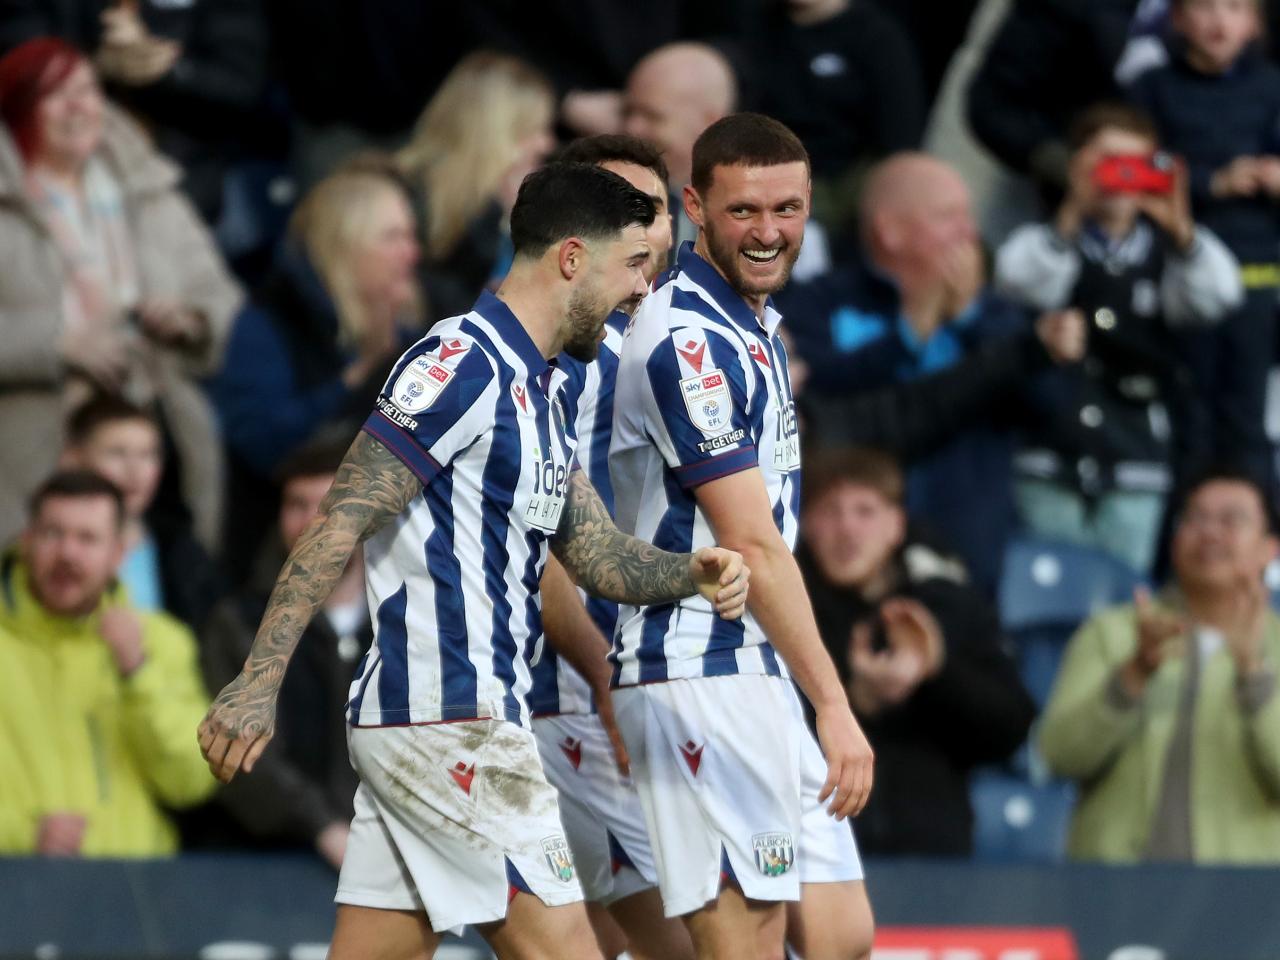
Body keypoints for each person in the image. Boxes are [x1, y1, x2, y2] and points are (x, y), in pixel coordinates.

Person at [196, 162, 750, 960]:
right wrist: (257, 681)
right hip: (451, 723)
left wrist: (691, 572)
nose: (641, 291)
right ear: (570, 259)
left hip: (437, 722)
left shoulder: (545, 387)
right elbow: (340, 516)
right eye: (633, 266)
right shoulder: (461, 362)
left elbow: (596, 556)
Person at [610, 113, 873, 960]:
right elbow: (753, 545)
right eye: (745, 211)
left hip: (751, 663)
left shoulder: (752, 322)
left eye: (788, 210)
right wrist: (833, 704)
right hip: (697, 665)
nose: (769, 233)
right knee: (739, 949)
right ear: (694, 208)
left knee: (840, 940)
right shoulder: (688, 341)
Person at [529, 135, 689, 960]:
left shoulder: (673, 337)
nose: (637, 229)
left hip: (661, 683)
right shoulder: (559, 358)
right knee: (697, 940)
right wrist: (606, 683)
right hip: (580, 689)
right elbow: (542, 538)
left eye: (650, 211)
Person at [0, 37, 241, 553]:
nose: (79, 108)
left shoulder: (147, 187)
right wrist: (54, 345)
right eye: (55, 95)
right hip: (33, 445)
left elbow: (217, 291)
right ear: (20, 109)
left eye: (88, 90)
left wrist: (189, 318)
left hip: (157, 430)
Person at [781, 152, 1049, 591]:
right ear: (891, 231)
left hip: (967, 540)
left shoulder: (996, 316)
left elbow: (1045, 406)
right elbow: (814, 400)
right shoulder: (821, 302)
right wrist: (907, 334)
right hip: (845, 548)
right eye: (949, 218)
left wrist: (970, 321)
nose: (970, 233)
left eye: (968, 217)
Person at [995, 101, 1243, 573]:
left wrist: (1182, 228)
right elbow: (1019, 281)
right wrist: (1072, 210)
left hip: (1136, 460)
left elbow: (1218, 296)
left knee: (1123, 597)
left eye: (1135, 164)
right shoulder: (1052, 238)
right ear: (1076, 166)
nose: (1120, 177)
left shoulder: (1170, 254)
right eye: (1107, 163)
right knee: (1046, 590)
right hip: (1049, 453)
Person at [798, 447, 1036, 856]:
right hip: (817, 856)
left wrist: (933, 668)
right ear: (805, 525)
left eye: (865, 511)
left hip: (934, 863)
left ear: (897, 525)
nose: (847, 529)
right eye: (830, 511)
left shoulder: (950, 606)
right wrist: (853, 699)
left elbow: (1011, 727)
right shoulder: (790, 617)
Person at [1040, 469, 1280, 863]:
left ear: (1269, 549)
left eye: (1231, 520)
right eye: (1195, 518)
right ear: (1174, 539)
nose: (1210, 533)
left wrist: (1253, 672)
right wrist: (1134, 673)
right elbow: (1059, 755)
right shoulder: (1114, 632)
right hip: (1115, 895)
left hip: (1246, 905)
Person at [208, 166, 422, 574]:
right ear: (346, 244)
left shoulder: (413, 334)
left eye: (411, 236)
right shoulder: (270, 322)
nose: (412, 253)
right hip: (277, 558)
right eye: (393, 237)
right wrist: (359, 377)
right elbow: (266, 443)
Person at [0, 470, 214, 856]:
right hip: (14, 888)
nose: (68, 553)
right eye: (52, 533)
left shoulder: (160, 641)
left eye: (87, 538)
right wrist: (20, 835)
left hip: (134, 893)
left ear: (118, 554)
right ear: (26, 540)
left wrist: (138, 672)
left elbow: (190, 782)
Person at [1127, 0, 1280, 490]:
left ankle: (1258, 542)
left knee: (1246, 422)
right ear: (1176, 19)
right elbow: (1133, 171)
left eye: (1234, 8)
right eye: (1205, 7)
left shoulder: (1272, 88)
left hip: (1256, 277)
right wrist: (1213, 182)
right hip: (1178, 279)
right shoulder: (1151, 89)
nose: (1219, 21)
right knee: (1188, 419)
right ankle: (1181, 536)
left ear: (1254, 24)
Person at [195, 440, 367, 869]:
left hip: (393, 860)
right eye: (297, 504)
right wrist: (323, 828)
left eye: (330, 505)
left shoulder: (409, 623)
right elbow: (238, 749)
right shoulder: (241, 624)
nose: (312, 521)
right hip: (268, 868)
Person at [0, 0, 269, 221]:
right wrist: (97, 66)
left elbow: (241, 86)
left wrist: (165, 70)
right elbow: (19, 61)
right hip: (50, 180)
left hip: (183, 181)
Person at [741, 0, 927, 232]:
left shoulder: (876, 36)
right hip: (766, 177)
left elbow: (901, 142)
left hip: (846, 190)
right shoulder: (756, 30)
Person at [395, 51, 557, 320]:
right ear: (494, 134)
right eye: (535, 129)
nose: (546, 144)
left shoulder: (503, 205)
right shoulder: (406, 200)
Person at [62, 395, 224, 630]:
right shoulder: (39, 550)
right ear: (74, 458)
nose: (134, 470)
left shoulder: (183, 553)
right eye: (117, 453)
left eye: (148, 454)